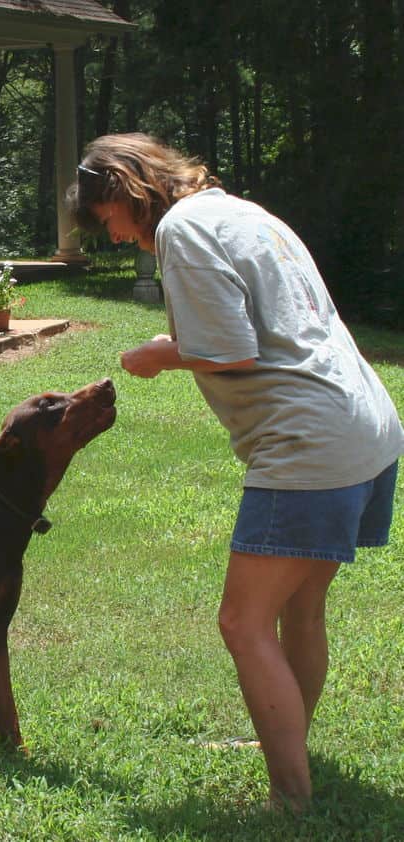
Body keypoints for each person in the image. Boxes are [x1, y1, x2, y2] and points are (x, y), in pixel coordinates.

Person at [68, 133, 404, 812]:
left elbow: (231, 352)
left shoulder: (183, 231)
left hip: (308, 442)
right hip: (367, 426)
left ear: (128, 190)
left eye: (107, 218)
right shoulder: (242, 212)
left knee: (242, 623)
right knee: (301, 608)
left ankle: (290, 800)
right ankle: (290, 746)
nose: (114, 234)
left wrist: (160, 355)